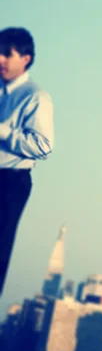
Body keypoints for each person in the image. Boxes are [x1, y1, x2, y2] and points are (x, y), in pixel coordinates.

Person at [0, 27, 54, 296]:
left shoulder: (35, 97)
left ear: (26, 59)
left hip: (9, 182)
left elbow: (44, 146)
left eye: (7, 54)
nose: (0, 59)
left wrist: (4, 132)